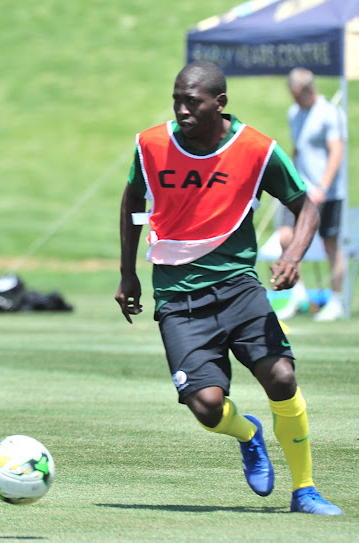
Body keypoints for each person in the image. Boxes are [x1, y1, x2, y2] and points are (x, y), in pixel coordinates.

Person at [115, 61, 342, 515]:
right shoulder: (150, 145)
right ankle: (248, 434)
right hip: (178, 297)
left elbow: (307, 208)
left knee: (281, 375)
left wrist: (293, 256)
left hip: (239, 288)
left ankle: (305, 490)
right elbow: (132, 200)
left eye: (192, 102)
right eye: (177, 99)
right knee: (205, 406)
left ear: (219, 104)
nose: (181, 109)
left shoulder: (257, 149)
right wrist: (127, 273)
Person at [276, 67, 347, 322]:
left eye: (297, 95)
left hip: (328, 192)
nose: (294, 100)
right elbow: (297, 150)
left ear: (308, 90)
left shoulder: (329, 113)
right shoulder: (294, 112)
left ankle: (336, 300)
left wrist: (323, 188)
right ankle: (298, 295)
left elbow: (336, 151)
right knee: (286, 237)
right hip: (301, 191)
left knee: (330, 244)